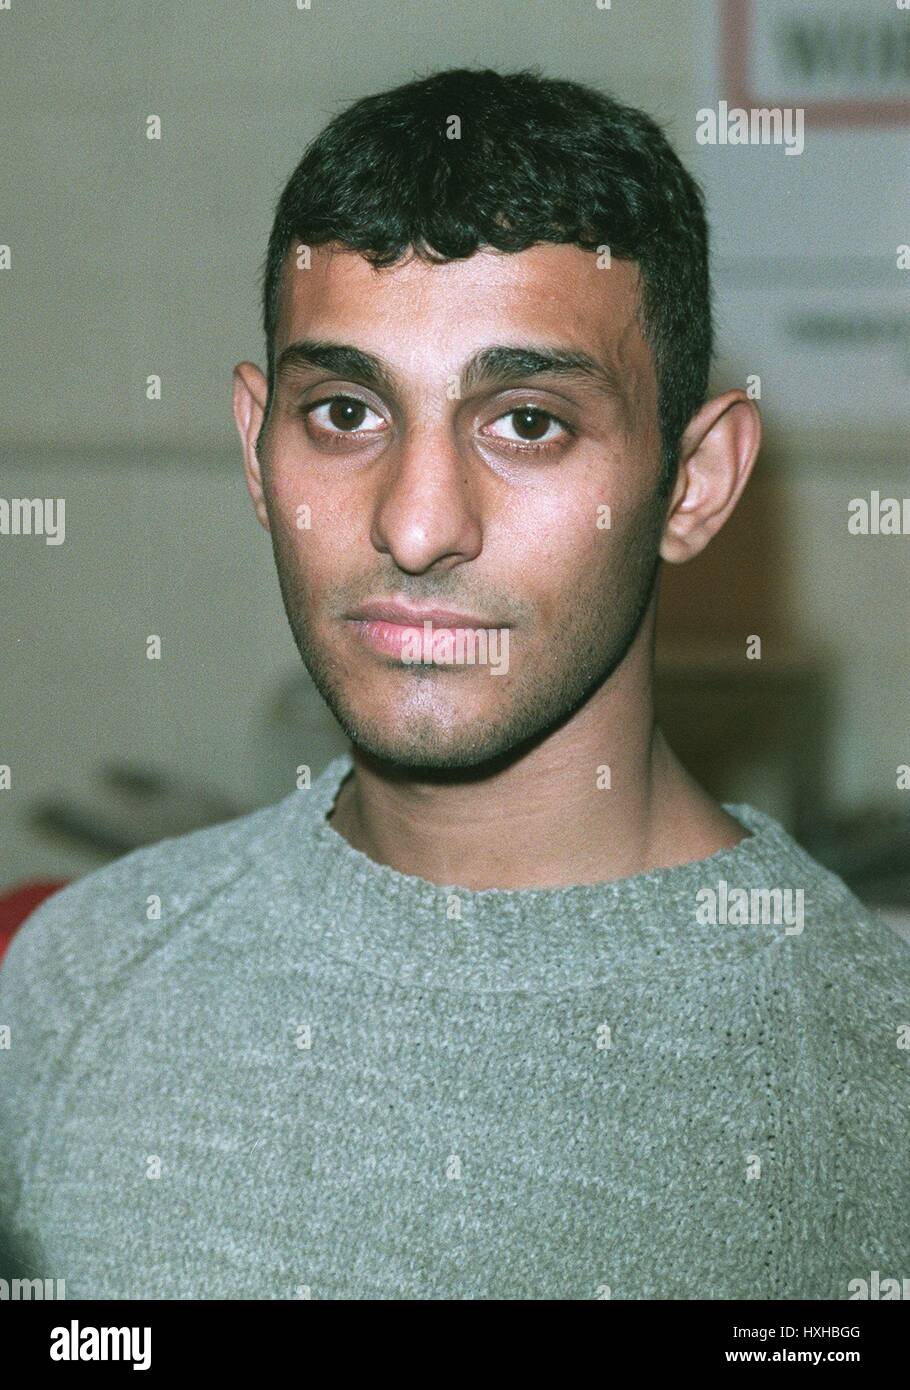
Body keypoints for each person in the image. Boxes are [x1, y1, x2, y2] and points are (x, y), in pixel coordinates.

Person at [1, 67, 906, 1300]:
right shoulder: (74, 984)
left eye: (526, 421)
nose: (417, 525)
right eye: (344, 412)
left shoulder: (868, 1073)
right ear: (257, 449)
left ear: (692, 483)